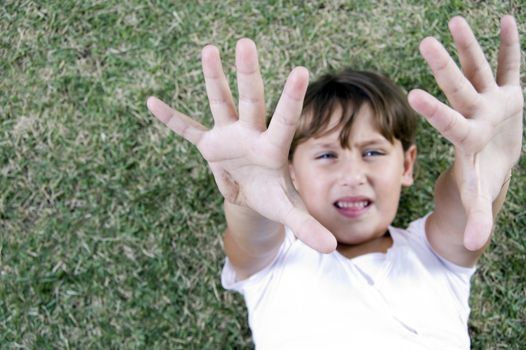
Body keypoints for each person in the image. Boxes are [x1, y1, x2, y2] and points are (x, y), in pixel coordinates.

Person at [146, 15, 522, 349]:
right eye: (326, 155)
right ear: (290, 170)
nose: (352, 176)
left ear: (407, 166)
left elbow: (464, 206)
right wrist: (247, 199)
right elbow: (251, 235)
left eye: (372, 152)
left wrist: (487, 167)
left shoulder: (435, 254)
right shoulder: (274, 259)